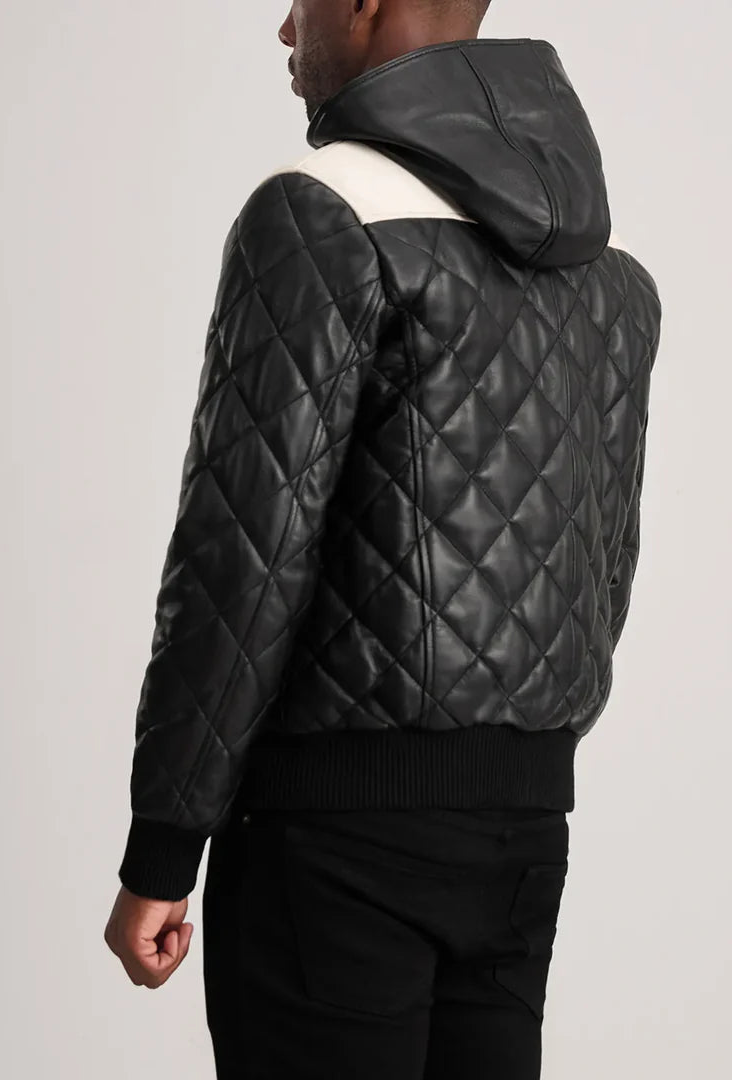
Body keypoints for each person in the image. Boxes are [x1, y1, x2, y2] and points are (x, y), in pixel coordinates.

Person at [104, 1, 663, 1076]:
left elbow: (242, 557)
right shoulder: (606, 269)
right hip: (521, 838)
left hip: (330, 845)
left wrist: (163, 848)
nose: (285, 29)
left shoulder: (321, 215)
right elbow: (606, 565)